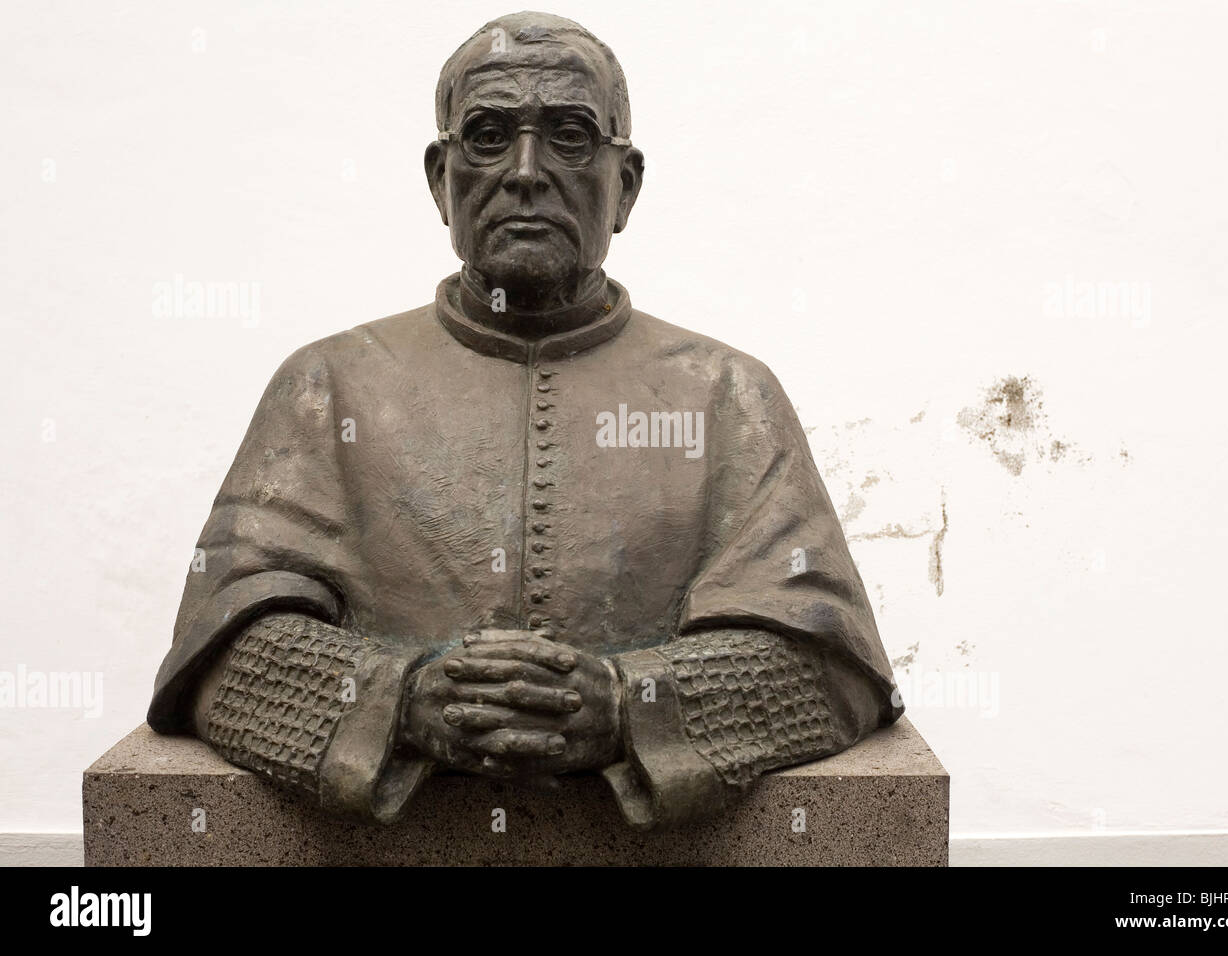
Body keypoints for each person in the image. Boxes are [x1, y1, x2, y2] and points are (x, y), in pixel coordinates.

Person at [147, 11, 903, 829]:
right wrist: (398, 702)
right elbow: (219, 647)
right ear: (441, 180)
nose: (526, 171)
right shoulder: (326, 387)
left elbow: (829, 666)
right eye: (487, 135)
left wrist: (628, 705)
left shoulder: (729, 395)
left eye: (572, 136)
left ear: (628, 186)